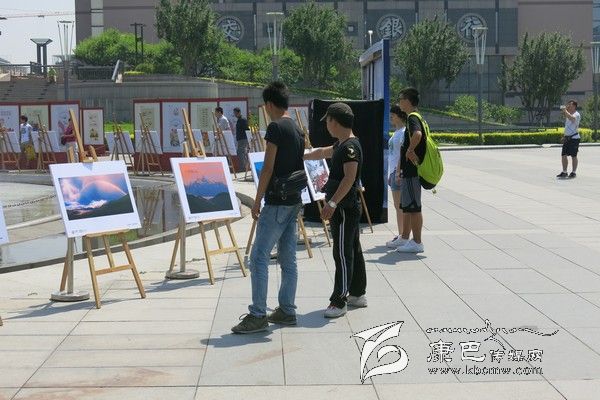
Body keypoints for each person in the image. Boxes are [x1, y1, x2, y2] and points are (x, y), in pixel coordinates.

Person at [231, 81, 306, 334]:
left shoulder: (275, 127)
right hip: (294, 200)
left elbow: (268, 167)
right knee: (288, 258)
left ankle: (258, 314)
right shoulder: (297, 128)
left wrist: (257, 199)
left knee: (258, 256)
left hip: (276, 202)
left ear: (270, 104)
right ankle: (287, 310)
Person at [304, 102, 367, 318]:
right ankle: (357, 293)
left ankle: (339, 301)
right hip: (345, 207)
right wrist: (302, 155)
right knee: (353, 249)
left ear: (335, 121)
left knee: (342, 253)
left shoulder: (350, 148)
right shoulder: (342, 144)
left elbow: (349, 178)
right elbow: (323, 152)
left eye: (328, 121)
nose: (326, 126)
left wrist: (332, 204)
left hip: (343, 208)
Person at [396, 88, 426, 253]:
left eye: (401, 98)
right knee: (408, 206)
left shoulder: (413, 117)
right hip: (409, 170)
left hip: (413, 170)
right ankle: (406, 237)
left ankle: (417, 242)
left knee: (414, 207)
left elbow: (418, 134)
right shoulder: (414, 117)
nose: (399, 101)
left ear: (408, 101)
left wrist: (409, 150)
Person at [386, 105, 407, 248]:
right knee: (398, 205)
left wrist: (398, 172)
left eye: (393, 115)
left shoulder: (403, 132)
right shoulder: (397, 132)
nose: (391, 117)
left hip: (397, 172)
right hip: (394, 172)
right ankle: (401, 234)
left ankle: (402, 236)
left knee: (400, 206)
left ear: (399, 116)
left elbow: (402, 154)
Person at [557, 100, 581, 179]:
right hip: (567, 138)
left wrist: (565, 110)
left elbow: (572, 119)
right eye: (568, 105)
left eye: (570, 105)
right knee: (563, 155)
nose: (568, 106)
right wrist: (564, 136)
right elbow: (567, 126)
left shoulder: (576, 114)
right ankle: (564, 172)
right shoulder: (568, 114)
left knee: (574, 155)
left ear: (574, 106)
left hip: (574, 138)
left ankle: (573, 172)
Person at [233, 107, 250, 173]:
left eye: (235, 113)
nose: (235, 114)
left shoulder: (243, 120)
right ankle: (244, 167)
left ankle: (243, 167)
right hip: (240, 139)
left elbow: (247, 129)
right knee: (242, 153)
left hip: (243, 139)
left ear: (239, 112)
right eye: (234, 113)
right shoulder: (239, 120)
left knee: (240, 152)